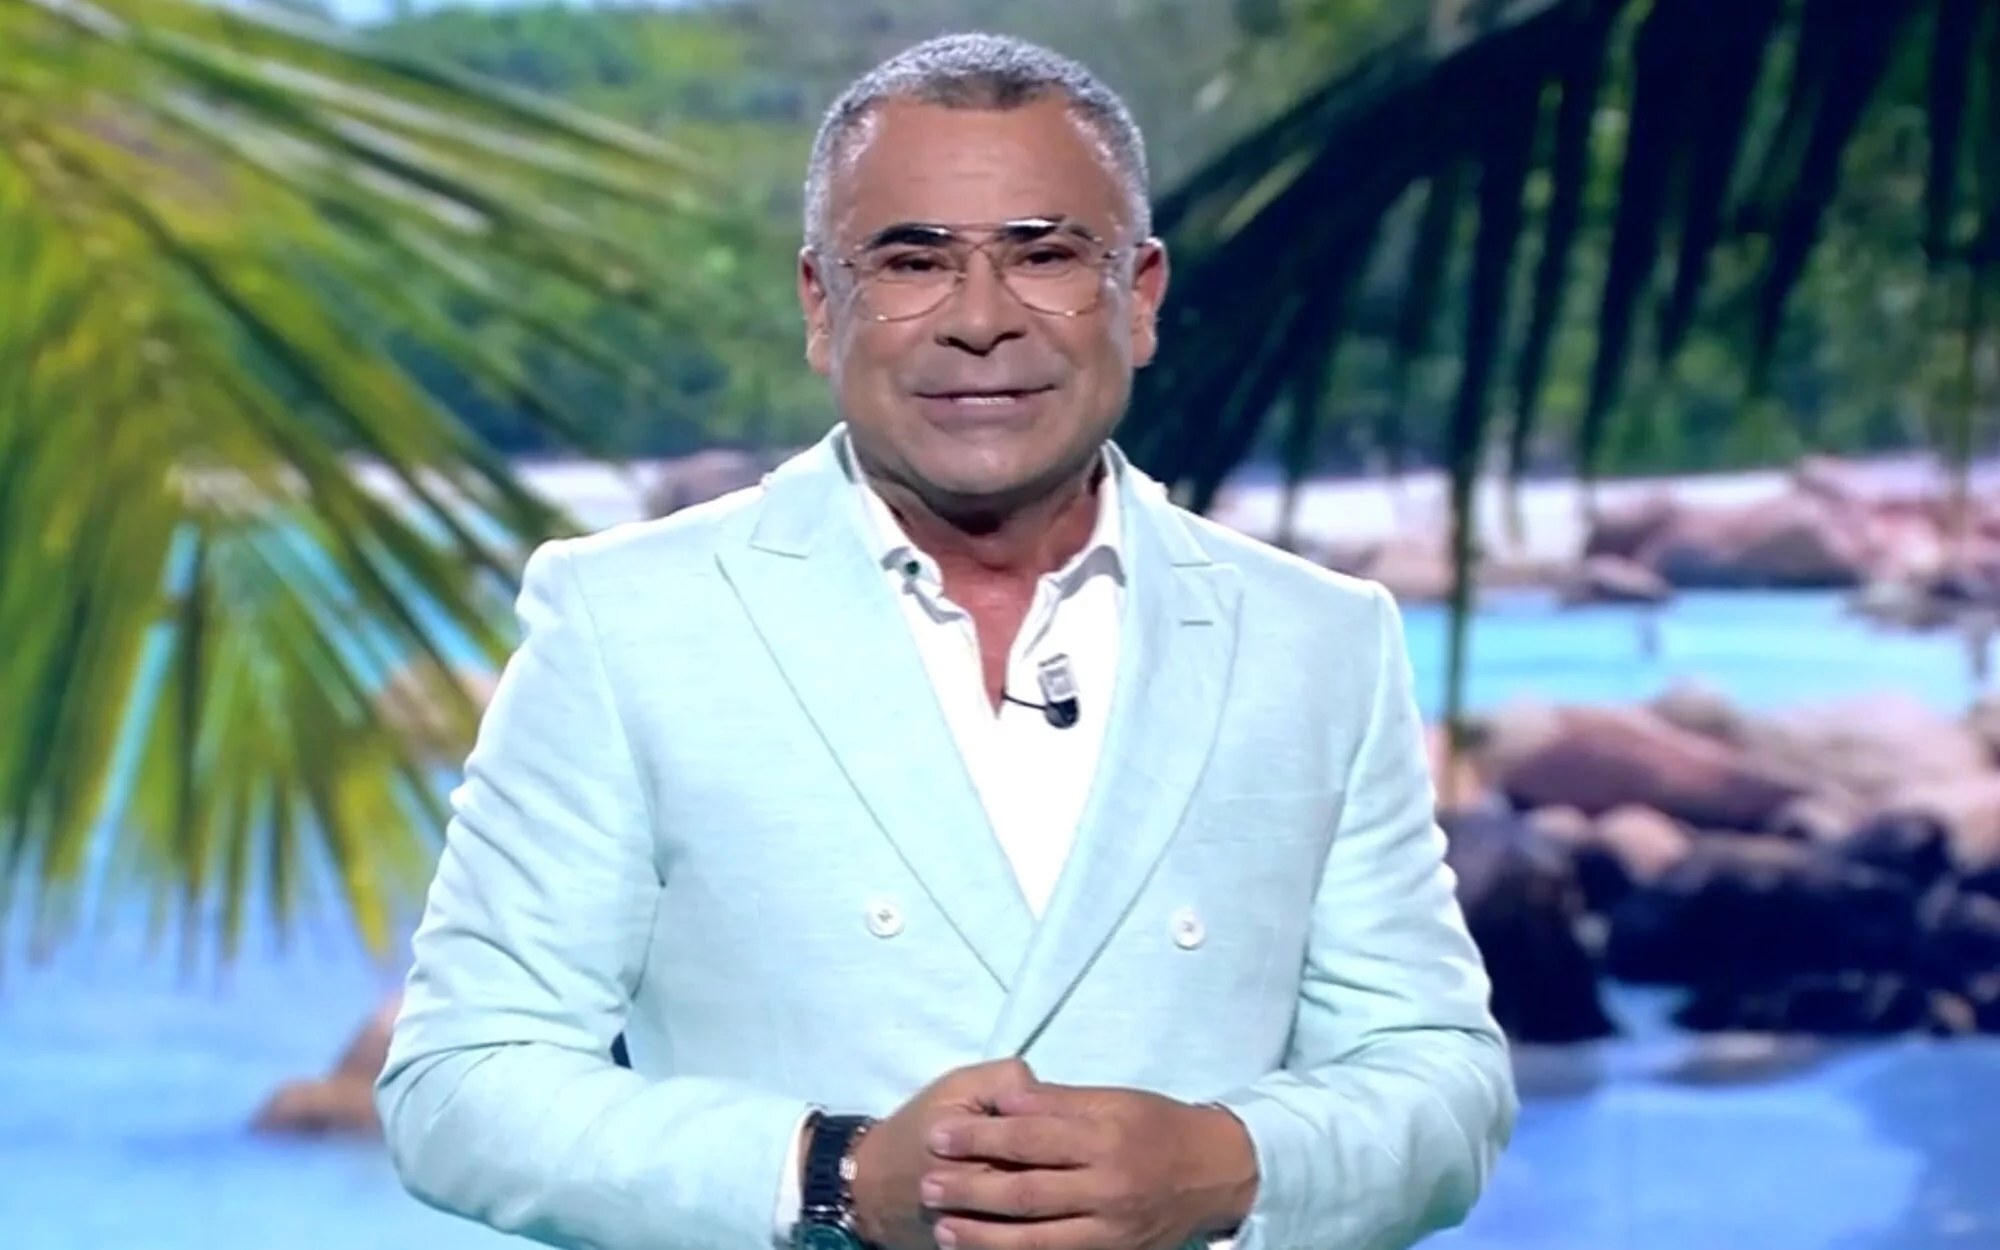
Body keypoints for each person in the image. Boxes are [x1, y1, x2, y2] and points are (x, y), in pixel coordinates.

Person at [376, 31, 1516, 1250]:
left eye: (1045, 256)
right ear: (821, 304)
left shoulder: (1314, 640)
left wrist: (1226, 1162)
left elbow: (1439, 1077)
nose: (979, 320)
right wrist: (835, 1176)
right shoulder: (630, 621)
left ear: (1138, 296)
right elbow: (460, 1081)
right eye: (911, 261)